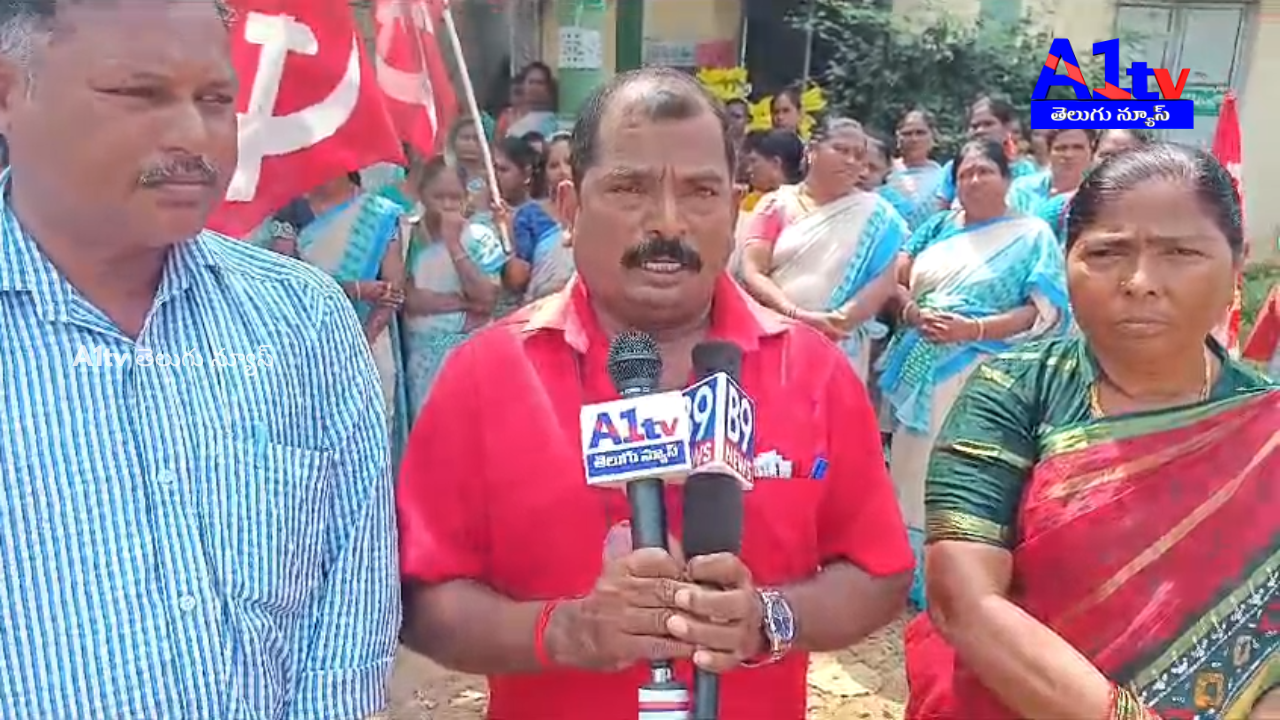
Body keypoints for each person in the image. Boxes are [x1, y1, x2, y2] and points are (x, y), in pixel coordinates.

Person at [397, 67, 913, 720]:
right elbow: (420, 598)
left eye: (700, 192)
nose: (667, 222)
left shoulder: (814, 373)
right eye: (630, 188)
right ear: (569, 206)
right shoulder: (486, 375)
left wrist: (768, 618)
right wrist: (566, 631)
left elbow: (879, 572)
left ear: (733, 207)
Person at [0, 2, 399, 717]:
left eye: (216, 101)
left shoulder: (301, 323)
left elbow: (350, 613)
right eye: (140, 95)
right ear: (8, 91)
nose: (193, 136)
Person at [905, 143, 1278, 720]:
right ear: (1067, 259)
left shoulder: (1267, 426)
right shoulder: (1015, 393)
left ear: (1236, 263)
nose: (1140, 281)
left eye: (1180, 252)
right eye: (1106, 252)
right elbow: (965, 600)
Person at [877, 140, 1070, 610]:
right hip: (922, 359)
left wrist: (973, 328)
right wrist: (910, 308)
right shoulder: (939, 227)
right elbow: (896, 275)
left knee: (963, 470)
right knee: (907, 465)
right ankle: (906, 573)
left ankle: (959, 578)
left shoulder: (1031, 235)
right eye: (965, 173)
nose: (974, 181)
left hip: (982, 370)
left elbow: (1041, 310)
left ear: (1007, 178)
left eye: (985, 171)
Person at [738, 116, 909, 379]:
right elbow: (753, 272)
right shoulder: (776, 204)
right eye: (841, 150)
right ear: (812, 151)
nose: (852, 161)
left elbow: (884, 282)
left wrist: (838, 322)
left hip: (840, 343)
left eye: (859, 155)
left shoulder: (878, 216)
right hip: (775, 333)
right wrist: (796, 315)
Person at [295, 171, 410, 462]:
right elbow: (287, 281)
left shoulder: (380, 214)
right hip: (307, 344)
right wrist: (353, 289)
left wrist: (362, 339)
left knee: (368, 439)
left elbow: (392, 292)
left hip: (368, 343)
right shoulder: (292, 210)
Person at [401, 157, 506, 416]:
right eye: (439, 197)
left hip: (470, 357)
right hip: (422, 358)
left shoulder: (480, 238)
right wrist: (463, 302)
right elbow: (410, 299)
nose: (447, 206)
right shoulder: (407, 236)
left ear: (466, 198)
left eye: (454, 197)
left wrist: (455, 246)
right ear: (422, 194)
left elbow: (486, 299)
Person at [504, 133, 575, 304]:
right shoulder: (529, 215)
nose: (563, 171)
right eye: (553, 165)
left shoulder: (599, 211)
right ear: (544, 173)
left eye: (569, 162)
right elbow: (518, 279)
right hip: (543, 308)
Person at [935, 96, 1038, 209]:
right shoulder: (955, 168)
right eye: (974, 126)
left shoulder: (1024, 170)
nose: (980, 131)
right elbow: (941, 212)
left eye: (988, 124)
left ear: (1007, 128)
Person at [1006, 128, 1094, 220]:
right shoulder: (1023, 189)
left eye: (1078, 148)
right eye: (1061, 148)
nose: (1069, 155)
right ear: (1049, 153)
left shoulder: (1101, 191)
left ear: (1091, 152)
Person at [881, 108, 944, 230]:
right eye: (907, 133)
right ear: (898, 137)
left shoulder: (943, 177)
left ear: (933, 137)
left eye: (920, 133)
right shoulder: (883, 171)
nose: (914, 139)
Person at [505, 62, 560, 140]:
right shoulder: (508, 115)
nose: (534, 87)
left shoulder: (552, 122)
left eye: (539, 83)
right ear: (523, 85)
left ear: (548, 88)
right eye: (531, 82)